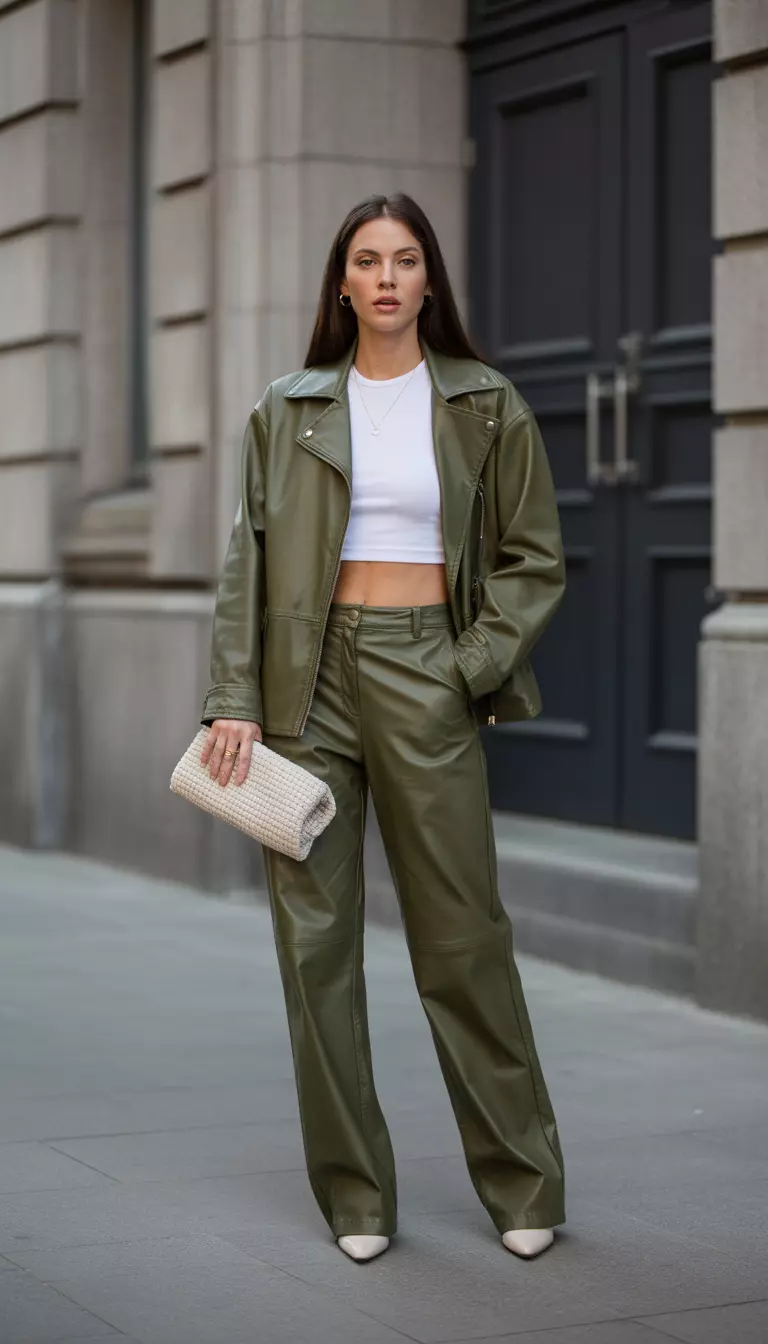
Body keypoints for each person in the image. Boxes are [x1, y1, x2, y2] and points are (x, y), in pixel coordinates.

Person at [199, 193, 566, 1264]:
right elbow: (248, 560)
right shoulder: (290, 407)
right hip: (302, 685)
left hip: (425, 673)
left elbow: (533, 560)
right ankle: (356, 1196)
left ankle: (522, 1181)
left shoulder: (487, 404)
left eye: (407, 260)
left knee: (463, 936)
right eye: (368, 261)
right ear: (343, 285)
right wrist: (235, 694)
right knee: (315, 950)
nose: (389, 277)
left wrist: (466, 668)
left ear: (430, 281)